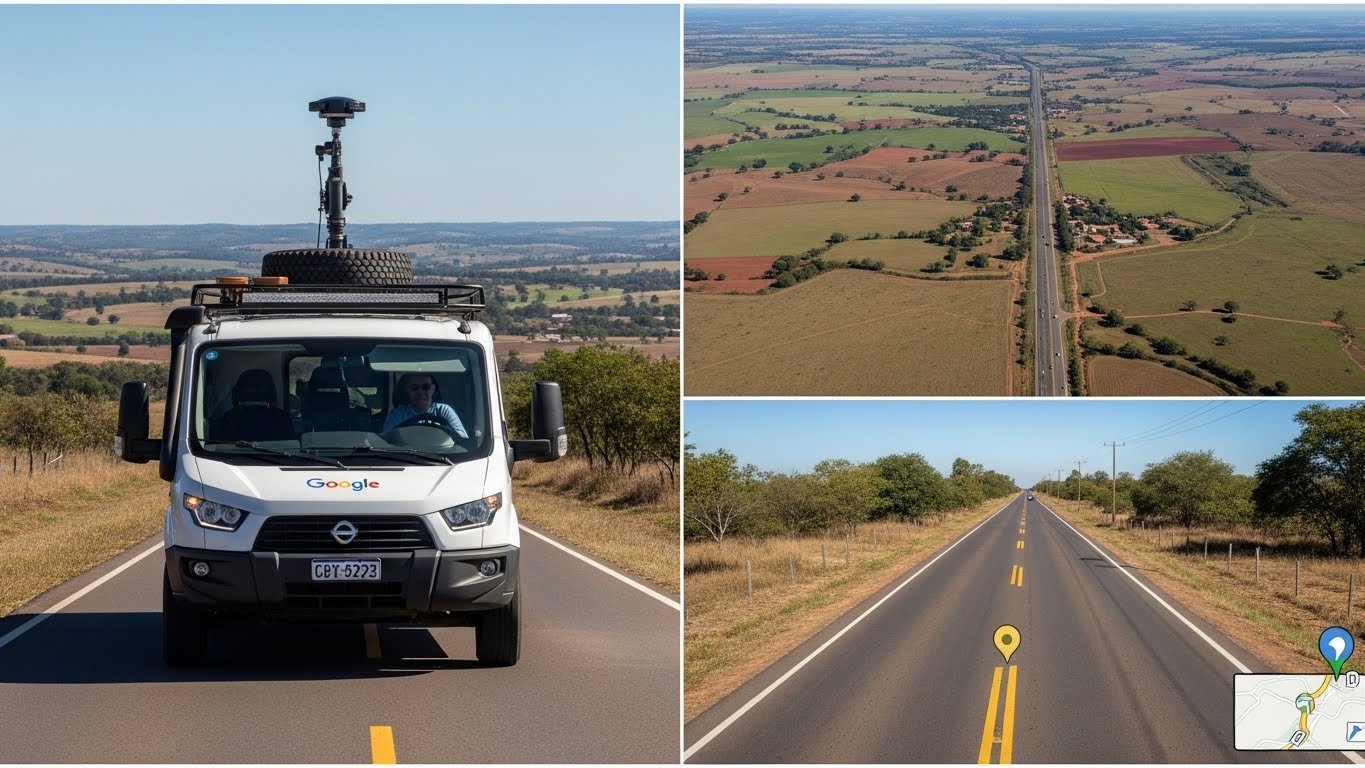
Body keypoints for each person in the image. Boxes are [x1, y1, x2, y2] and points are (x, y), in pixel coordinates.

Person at [383, 372, 468, 438]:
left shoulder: (444, 410)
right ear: (407, 390)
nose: (420, 392)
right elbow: (385, 441)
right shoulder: (397, 415)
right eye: (414, 388)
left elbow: (462, 438)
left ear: (433, 389)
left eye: (426, 387)